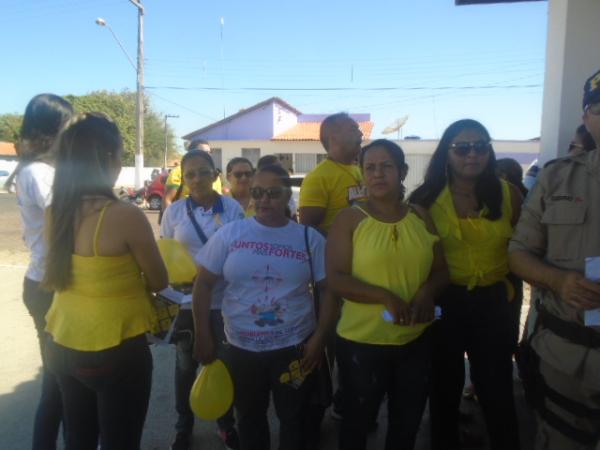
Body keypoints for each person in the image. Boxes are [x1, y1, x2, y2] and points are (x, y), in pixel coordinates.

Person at [42, 113, 168, 450]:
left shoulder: (55, 212)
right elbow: (159, 279)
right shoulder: (126, 216)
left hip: (62, 341)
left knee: (78, 439)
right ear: (109, 159)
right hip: (117, 347)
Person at [192, 165, 328, 450]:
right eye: (257, 193)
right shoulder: (230, 234)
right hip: (241, 349)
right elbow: (202, 285)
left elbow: (328, 293)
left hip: (293, 349)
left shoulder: (309, 238)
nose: (264, 200)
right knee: (250, 419)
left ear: (287, 195)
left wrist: (319, 340)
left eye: (273, 193)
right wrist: (203, 334)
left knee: (295, 420)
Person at [327, 139, 448, 450]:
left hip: (414, 340)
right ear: (362, 173)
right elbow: (336, 280)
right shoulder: (350, 219)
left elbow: (441, 271)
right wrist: (385, 297)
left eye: (386, 166)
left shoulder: (421, 215)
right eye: (370, 167)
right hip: (361, 344)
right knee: (356, 423)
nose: (378, 174)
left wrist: (426, 293)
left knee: (406, 425)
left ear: (403, 171)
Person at [409, 119, 523, 450]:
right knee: (444, 386)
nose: (472, 154)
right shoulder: (425, 198)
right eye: (462, 148)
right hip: (445, 301)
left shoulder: (507, 194)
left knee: (496, 387)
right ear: (447, 152)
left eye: (480, 146)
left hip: (494, 301)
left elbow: (525, 246)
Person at [508, 68, 600, 450]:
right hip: (567, 359)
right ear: (586, 118)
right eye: (599, 107)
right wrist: (559, 281)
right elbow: (518, 254)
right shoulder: (556, 178)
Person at [160, 150, 244, 450]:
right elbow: (168, 257)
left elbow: (241, 250)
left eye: (203, 172)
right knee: (185, 369)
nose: (197, 179)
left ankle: (225, 425)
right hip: (186, 303)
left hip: (225, 303)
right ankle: (184, 427)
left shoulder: (233, 209)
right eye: (190, 174)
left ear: (215, 175)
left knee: (224, 366)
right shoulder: (174, 213)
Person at [6, 94, 73, 450]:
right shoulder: (40, 173)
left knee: (59, 381)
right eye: (68, 125)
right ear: (52, 129)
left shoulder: (41, 170)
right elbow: (64, 231)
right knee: (59, 383)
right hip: (50, 287)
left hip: (47, 282)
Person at [299, 113, 366, 234]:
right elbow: (308, 231)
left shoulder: (360, 170)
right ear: (334, 138)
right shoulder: (317, 178)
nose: (361, 134)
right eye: (353, 129)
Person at [162, 140, 222, 214]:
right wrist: (171, 221)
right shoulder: (178, 171)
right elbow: (167, 199)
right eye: (203, 152)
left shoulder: (213, 173)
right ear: (192, 153)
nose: (208, 155)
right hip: (185, 219)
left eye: (209, 152)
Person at [257, 154, 298, 219]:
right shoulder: (254, 192)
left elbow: (292, 214)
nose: (281, 169)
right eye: (278, 166)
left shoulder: (284, 188)